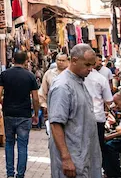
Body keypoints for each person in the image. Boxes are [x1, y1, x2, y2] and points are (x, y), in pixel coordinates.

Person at [48, 44, 102, 178]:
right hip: (72, 158)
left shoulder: (78, 81)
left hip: (82, 155)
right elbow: (56, 123)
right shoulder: (63, 86)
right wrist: (66, 158)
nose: (90, 69)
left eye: (92, 65)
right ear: (74, 60)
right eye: (87, 65)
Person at [0, 51, 39, 178]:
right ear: (25, 61)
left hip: (9, 114)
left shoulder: (4, 75)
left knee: (9, 144)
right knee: (22, 146)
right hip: (24, 115)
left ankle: (9, 174)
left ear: (13, 60)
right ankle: (20, 175)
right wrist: (36, 113)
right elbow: (35, 98)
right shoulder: (30, 76)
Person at [84, 64, 114, 152]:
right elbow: (108, 100)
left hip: (83, 118)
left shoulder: (76, 78)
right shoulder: (100, 78)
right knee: (98, 147)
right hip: (97, 117)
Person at [39, 52, 68, 123]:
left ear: (68, 61)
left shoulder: (70, 74)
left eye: (63, 60)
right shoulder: (49, 74)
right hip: (52, 108)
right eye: (58, 60)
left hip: (68, 108)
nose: (60, 62)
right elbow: (43, 90)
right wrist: (44, 105)